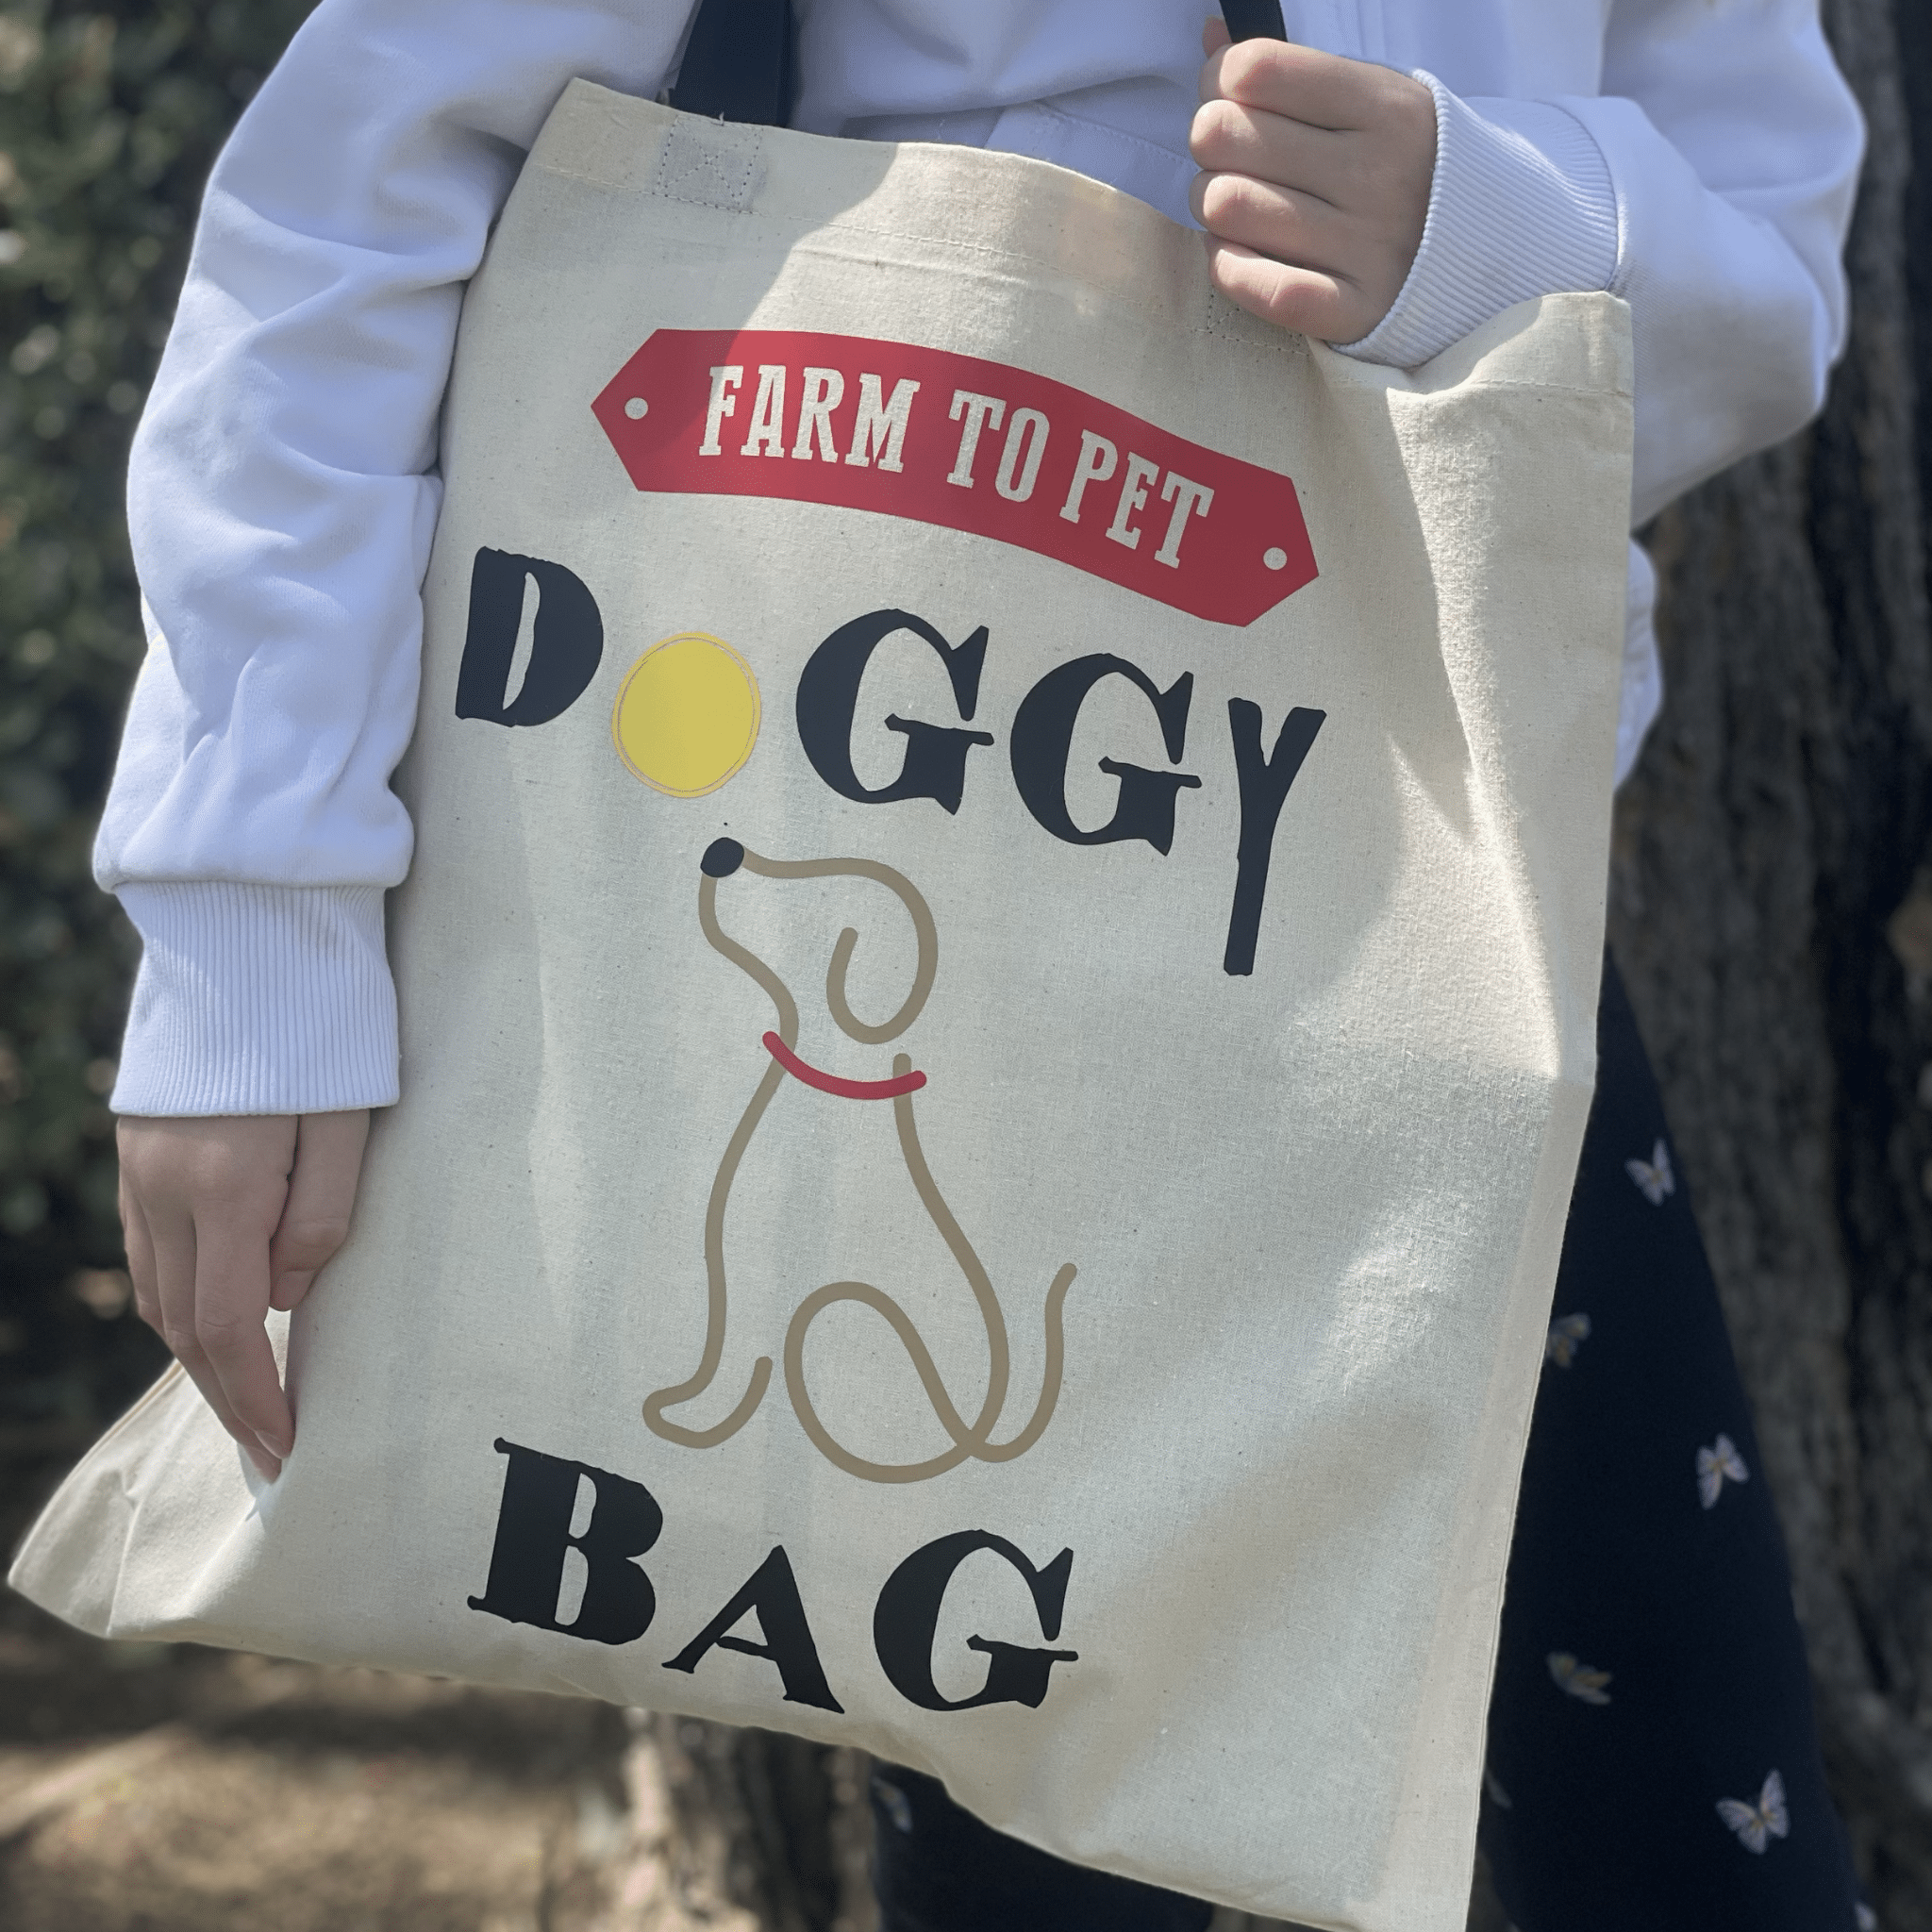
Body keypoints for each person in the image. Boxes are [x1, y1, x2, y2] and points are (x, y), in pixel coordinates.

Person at [95, 2, 1866, 1927]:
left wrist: (1500, 234)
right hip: (951, 917)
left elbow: (1770, 242)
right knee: (1040, 1828)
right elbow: (352, 193)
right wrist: (250, 924)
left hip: (1430, 956)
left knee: (1679, 1808)